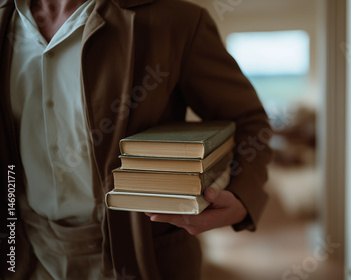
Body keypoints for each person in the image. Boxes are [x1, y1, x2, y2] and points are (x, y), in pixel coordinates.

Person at [0, 0, 272, 279]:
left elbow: (249, 121)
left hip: (145, 257)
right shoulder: (4, 22)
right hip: (21, 253)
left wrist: (241, 194)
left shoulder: (178, 20)